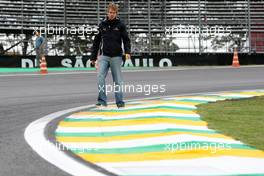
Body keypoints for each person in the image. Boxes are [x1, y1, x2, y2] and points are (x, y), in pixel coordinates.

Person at [91, 2, 131, 108]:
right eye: (109, 12)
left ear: (116, 13)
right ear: (107, 13)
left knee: (117, 80)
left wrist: (127, 52)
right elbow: (96, 41)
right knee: (100, 77)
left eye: (113, 12)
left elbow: (126, 40)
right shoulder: (102, 24)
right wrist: (93, 57)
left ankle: (120, 102)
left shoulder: (121, 25)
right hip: (104, 56)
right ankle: (102, 101)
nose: (111, 14)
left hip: (116, 56)